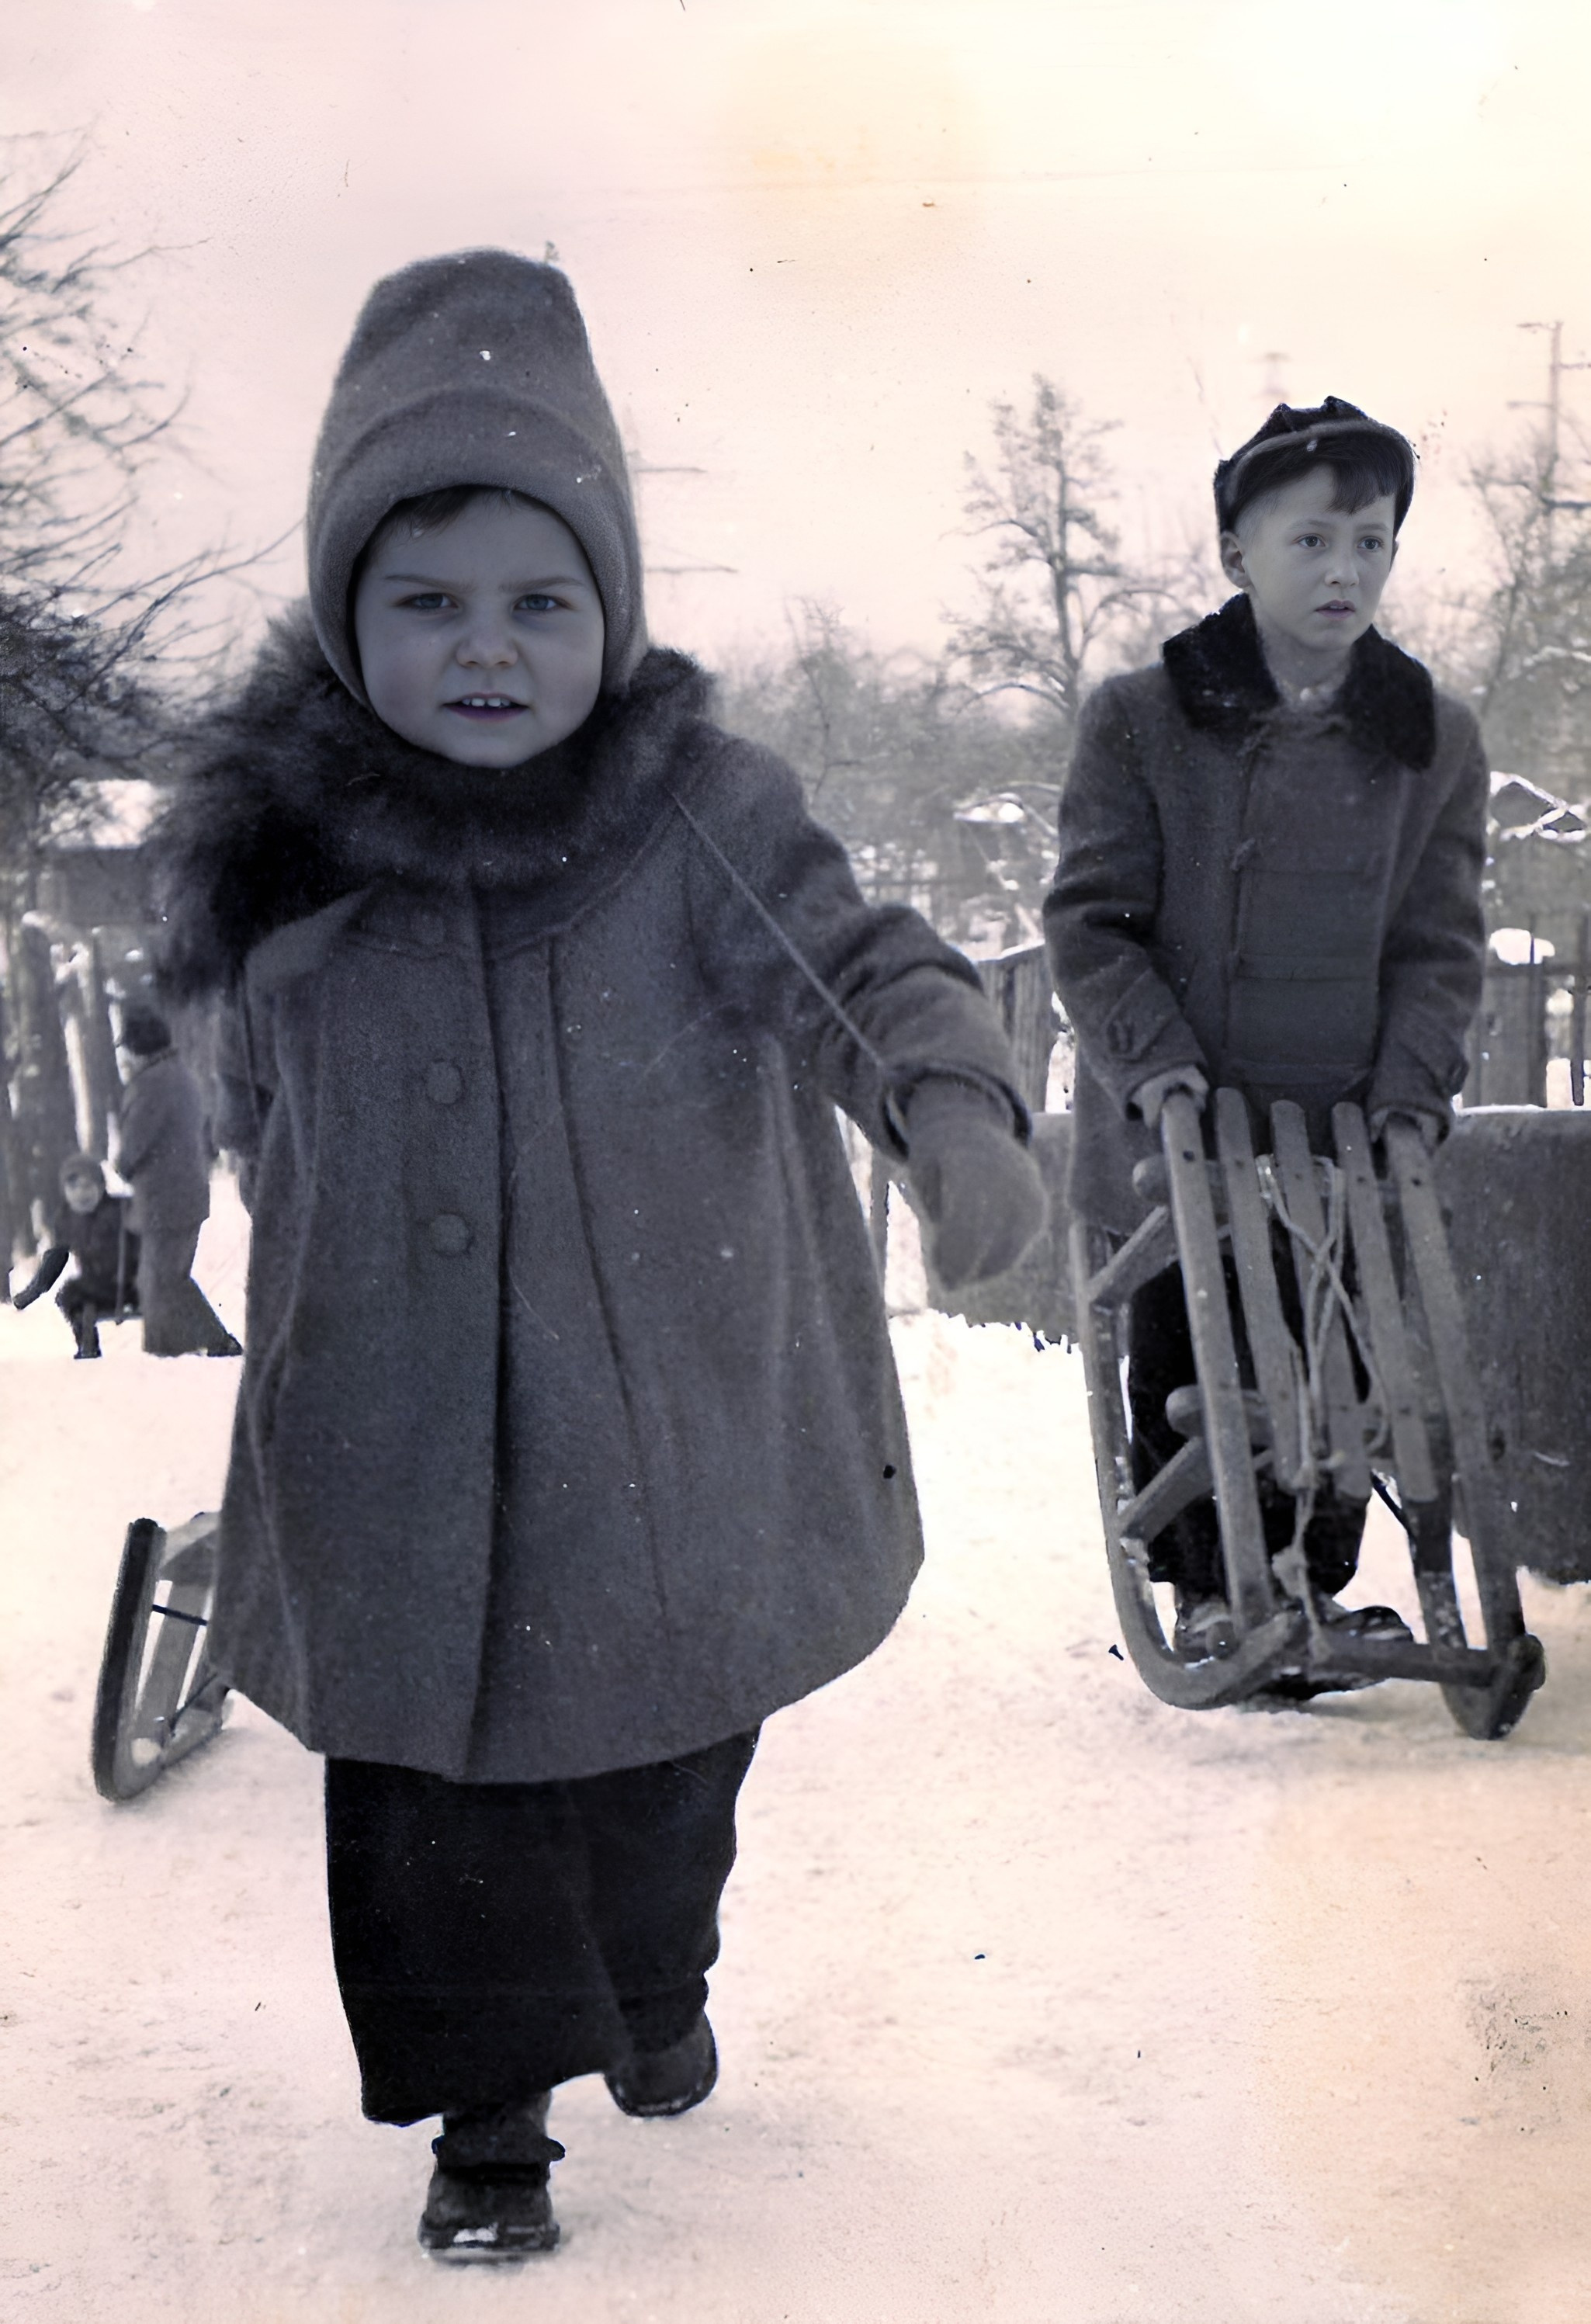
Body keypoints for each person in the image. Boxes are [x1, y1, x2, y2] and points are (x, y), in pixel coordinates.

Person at [147, 249, 1047, 2263]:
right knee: (425, 1800)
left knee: (660, 1763)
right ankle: (487, 2120)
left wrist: (950, 1108)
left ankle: (657, 1971)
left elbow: (866, 966)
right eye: (430, 600)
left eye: (540, 600)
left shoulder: (697, 819)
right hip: (387, 1432)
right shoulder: (282, 863)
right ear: (347, 612)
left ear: (613, 612)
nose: (488, 647)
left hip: (654, 1435)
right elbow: (248, 1091)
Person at [1045, 397, 1488, 1665]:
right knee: (1197, 1340)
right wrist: (1160, 1066)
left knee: (1345, 1352)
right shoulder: (1142, 718)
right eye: (1311, 540)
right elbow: (1092, 918)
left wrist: (1412, 1084)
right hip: (1178, 1108)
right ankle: (1206, 1582)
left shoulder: (1431, 739)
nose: (1345, 568)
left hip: (1344, 1121)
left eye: (1371, 540)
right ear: (1239, 548)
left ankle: (1314, 1576)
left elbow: (1439, 941)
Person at [113, 1003, 241, 1358]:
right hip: (184, 1192)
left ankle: (211, 1342)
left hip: (163, 1198)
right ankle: (166, 1348)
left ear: (139, 1046)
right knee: (161, 1277)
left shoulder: (151, 1084)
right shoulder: (179, 1075)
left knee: (164, 1279)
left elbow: (135, 1141)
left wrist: (122, 1165)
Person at [10, 1153, 138, 1358]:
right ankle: (88, 1347)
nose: (82, 1194)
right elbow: (55, 1260)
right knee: (70, 1295)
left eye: (87, 1187)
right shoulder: (67, 1219)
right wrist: (31, 1293)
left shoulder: (120, 1210)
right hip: (102, 1286)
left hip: (135, 1284)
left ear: (100, 1186)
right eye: (74, 1188)